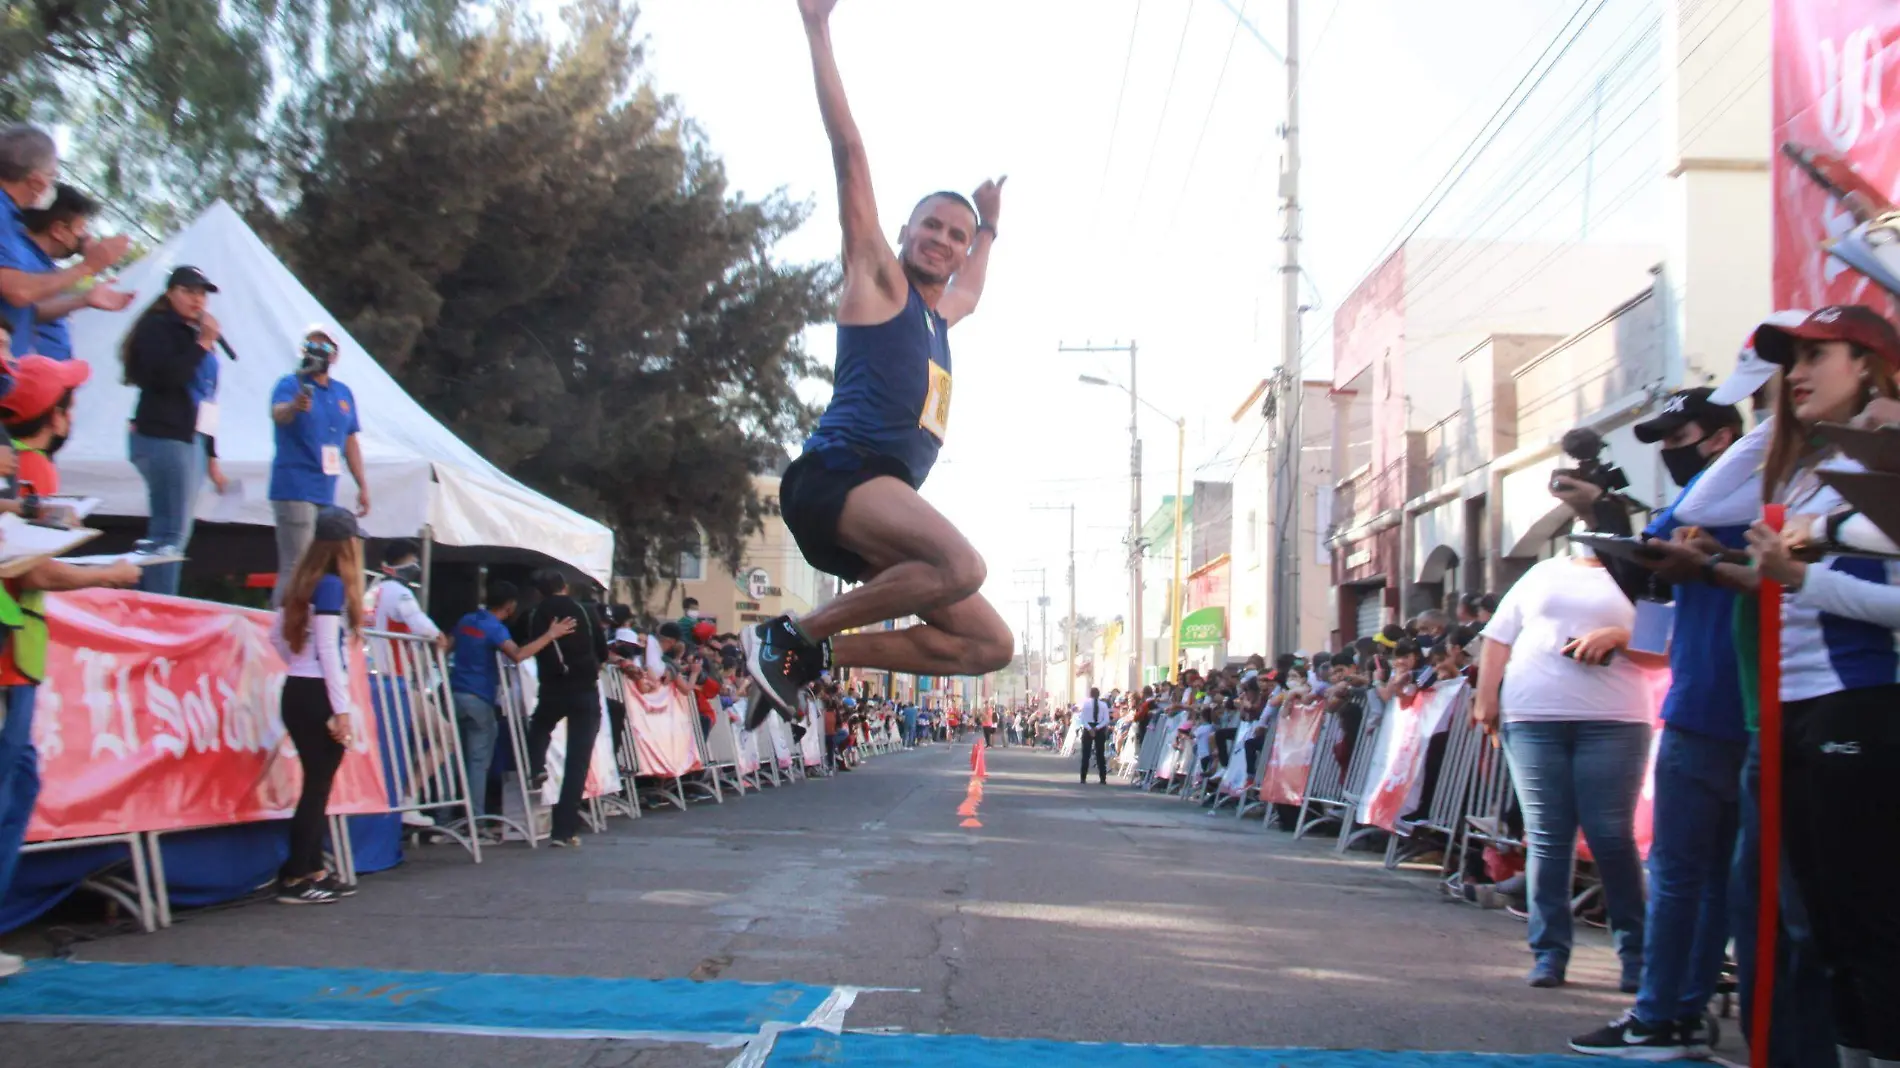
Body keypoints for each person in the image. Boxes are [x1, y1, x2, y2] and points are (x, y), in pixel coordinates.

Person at [740, 0, 1010, 724]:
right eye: (932, 226)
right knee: (962, 567)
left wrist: (989, 226)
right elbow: (849, 154)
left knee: (988, 643)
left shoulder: (941, 313)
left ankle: (815, 654)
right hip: (839, 473)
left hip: (879, 500)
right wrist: (817, 30)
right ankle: (794, 634)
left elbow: (975, 289)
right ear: (903, 230)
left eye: (954, 236)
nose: (943, 240)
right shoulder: (878, 282)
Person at [1738, 306, 1900, 1068]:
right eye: (1790, 359)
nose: (1796, 373)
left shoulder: (1886, 458)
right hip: (1793, 711)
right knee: (1824, 927)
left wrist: (1799, 573)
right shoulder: (1808, 468)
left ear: (1869, 363)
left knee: (1867, 924)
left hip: (1863, 707)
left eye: (1816, 355)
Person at [1568, 387, 1749, 1059]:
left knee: (1681, 871)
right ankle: (1682, 1009)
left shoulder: (1714, 499)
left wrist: (1606, 514)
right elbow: (1651, 633)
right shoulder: (1734, 497)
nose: (1670, 451)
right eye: (1663, 441)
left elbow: (1652, 563)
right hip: (1722, 704)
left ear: (1722, 435)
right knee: (1721, 879)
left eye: (1680, 437)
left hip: (1718, 709)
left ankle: (1661, 1014)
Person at [1472, 479, 1668, 991]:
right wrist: (1485, 698)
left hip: (1615, 721)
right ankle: (1549, 954)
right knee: (1547, 839)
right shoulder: (1542, 572)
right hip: (1533, 717)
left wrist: (1620, 637)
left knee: (1610, 837)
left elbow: (1664, 651)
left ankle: (1637, 958)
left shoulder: (1643, 577)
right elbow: (1497, 637)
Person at [0, 357, 141, 973]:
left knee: (21, 782)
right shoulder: (25, 464)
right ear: (54, 412)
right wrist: (108, 570)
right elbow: (29, 567)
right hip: (9, 651)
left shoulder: (19, 462)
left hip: (18, 649)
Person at [268, 506, 369, 904]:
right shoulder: (331, 586)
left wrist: (297, 664)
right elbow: (329, 648)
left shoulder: (301, 582)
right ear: (347, 545)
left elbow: (277, 637)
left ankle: (309, 868)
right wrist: (341, 708)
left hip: (298, 686)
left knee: (317, 783)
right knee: (317, 785)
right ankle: (296, 876)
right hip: (317, 691)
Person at [123, 267, 224, 595]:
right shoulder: (158, 328)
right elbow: (168, 377)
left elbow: (207, 396)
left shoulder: (192, 334)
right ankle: (157, 601)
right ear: (171, 293)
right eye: (189, 291)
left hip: (190, 437)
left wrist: (211, 453)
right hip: (164, 434)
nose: (197, 299)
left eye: (202, 293)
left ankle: (158, 597)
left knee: (176, 530)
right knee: (168, 532)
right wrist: (204, 343)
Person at [447, 581, 576, 835]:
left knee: (452, 756)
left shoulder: (466, 620)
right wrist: (550, 635)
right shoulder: (494, 629)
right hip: (478, 697)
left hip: (453, 693)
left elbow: (447, 644)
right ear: (510, 606)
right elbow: (518, 654)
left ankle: (446, 816)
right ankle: (475, 821)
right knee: (477, 761)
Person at [0, 124, 130, 360]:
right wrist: (88, 267)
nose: (52, 186)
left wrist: (83, 299)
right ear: (36, 182)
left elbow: (25, 309)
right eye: (53, 176)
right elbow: (19, 292)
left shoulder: (9, 219)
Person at [270, 326, 368, 606]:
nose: (317, 352)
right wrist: (293, 407)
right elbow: (277, 413)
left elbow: (350, 441)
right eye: (312, 346)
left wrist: (362, 484)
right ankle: (280, 626)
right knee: (297, 562)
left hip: (326, 488)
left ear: (335, 356)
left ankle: (303, 628)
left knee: (318, 564)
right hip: (295, 484)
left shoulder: (343, 393)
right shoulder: (290, 383)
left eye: (325, 348)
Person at [523, 570, 605, 848]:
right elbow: (602, 652)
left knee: (539, 725)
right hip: (584, 690)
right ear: (564, 587)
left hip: (552, 688)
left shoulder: (535, 614)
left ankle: (536, 765)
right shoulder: (585, 612)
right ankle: (564, 830)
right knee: (577, 762)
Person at [18, 184, 134, 361]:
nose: (85, 237)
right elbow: (31, 308)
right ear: (58, 231)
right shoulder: (19, 260)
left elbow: (67, 289)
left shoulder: (45, 266)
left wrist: (88, 286)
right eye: (80, 228)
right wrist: (89, 267)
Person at [1076, 687, 1111, 784]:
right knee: (1100, 753)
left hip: (1089, 728)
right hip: (1099, 728)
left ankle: (1083, 777)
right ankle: (1102, 777)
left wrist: (1090, 728)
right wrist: (1097, 728)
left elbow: (1082, 719)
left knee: (1086, 753)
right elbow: (1106, 720)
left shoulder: (1086, 704)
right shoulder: (1103, 705)